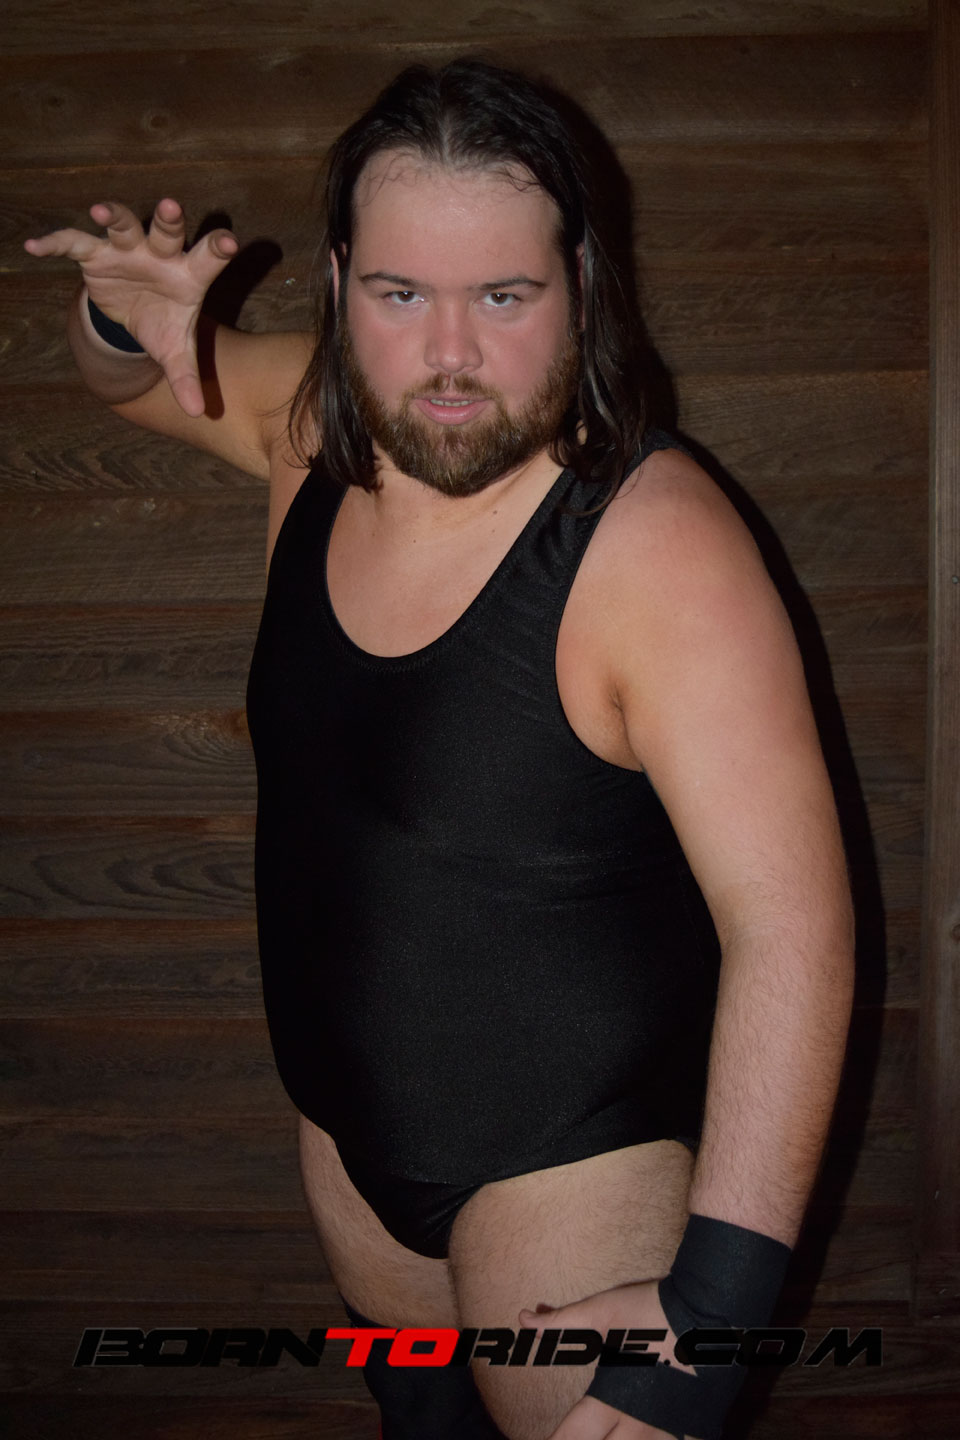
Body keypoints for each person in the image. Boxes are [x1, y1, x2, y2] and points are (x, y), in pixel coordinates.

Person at [25, 59, 854, 1440]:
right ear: (340, 283)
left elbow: (794, 924)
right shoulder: (313, 429)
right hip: (349, 1149)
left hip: (566, 1179)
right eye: (402, 296)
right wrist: (118, 318)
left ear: (580, 284)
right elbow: (132, 387)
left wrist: (716, 1312)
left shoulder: (657, 543)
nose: (451, 355)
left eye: (504, 298)